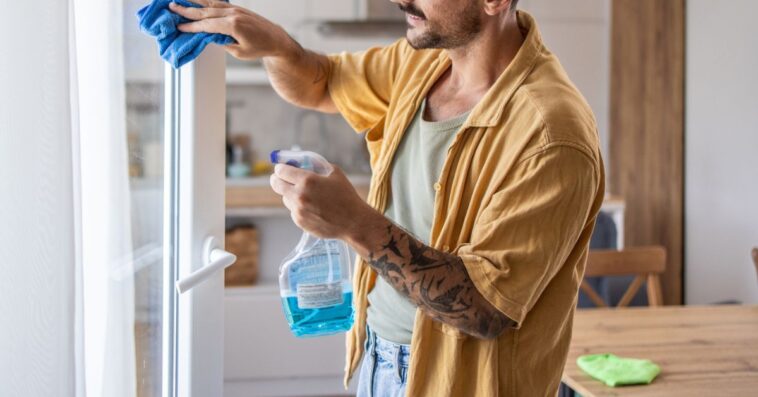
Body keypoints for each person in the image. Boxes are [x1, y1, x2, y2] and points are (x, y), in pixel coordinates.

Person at [170, 0, 605, 395]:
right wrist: (278, 47)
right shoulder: (421, 64)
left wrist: (354, 223)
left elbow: (485, 309)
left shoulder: (550, 134)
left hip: (462, 383)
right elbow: (320, 81)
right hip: (379, 358)